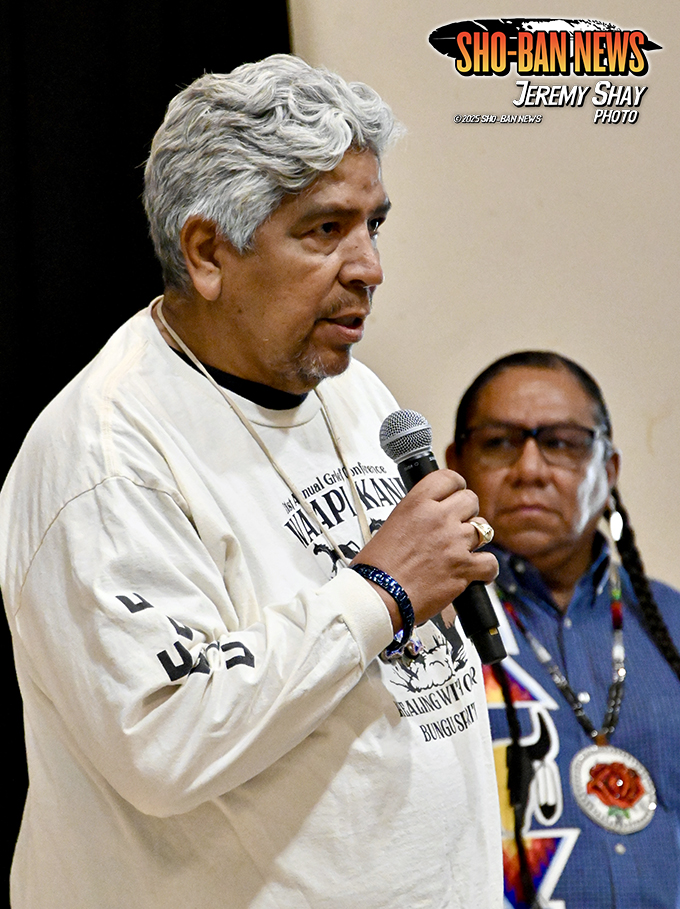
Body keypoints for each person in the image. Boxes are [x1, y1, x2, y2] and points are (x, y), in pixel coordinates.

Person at [0, 54, 503, 908]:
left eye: (374, 225)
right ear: (207, 252)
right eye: (325, 230)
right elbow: (163, 742)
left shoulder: (353, 389)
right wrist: (381, 590)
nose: (370, 267)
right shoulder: (105, 458)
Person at [446, 350, 680, 909]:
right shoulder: (430, 634)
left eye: (561, 443)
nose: (530, 469)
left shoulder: (671, 624)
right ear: (457, 465)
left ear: (609, 470)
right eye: (499, 442)